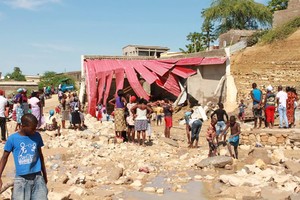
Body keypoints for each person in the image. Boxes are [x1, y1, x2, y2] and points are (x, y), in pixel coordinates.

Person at [0, 113, 48, 199]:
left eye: (35, 128)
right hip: (21, 179)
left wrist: (44, 175)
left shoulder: (37, 136)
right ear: (23, 126)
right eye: (32, 128)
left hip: (37, 177)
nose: (34, 130)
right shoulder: (12, 139)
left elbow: (40, 156)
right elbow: (4, 158)